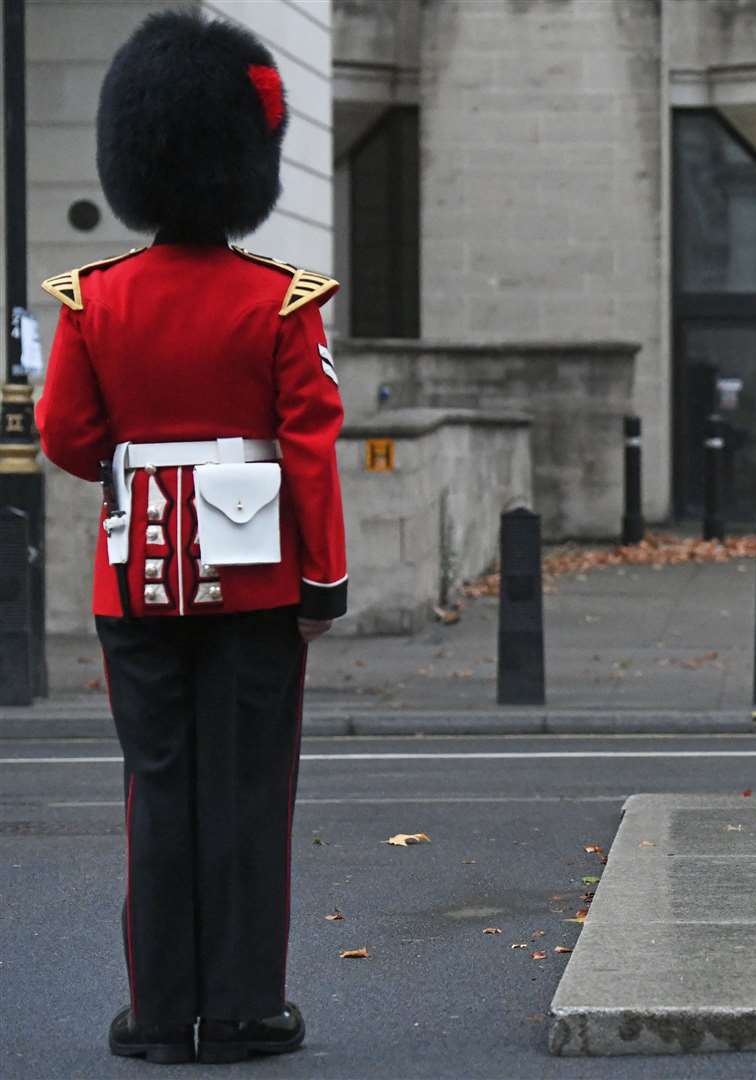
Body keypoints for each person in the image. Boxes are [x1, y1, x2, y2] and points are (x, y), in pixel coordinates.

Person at [35, 11, 346, 1064]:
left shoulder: (94, 301)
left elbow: (69, 440)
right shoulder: (281, 304)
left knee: (154, 792)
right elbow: (310, 450)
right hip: (258, 584)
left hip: (135, 584)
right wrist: (325, 580)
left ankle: (160, 1015)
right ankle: (246, 1010)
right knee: (249, 793)